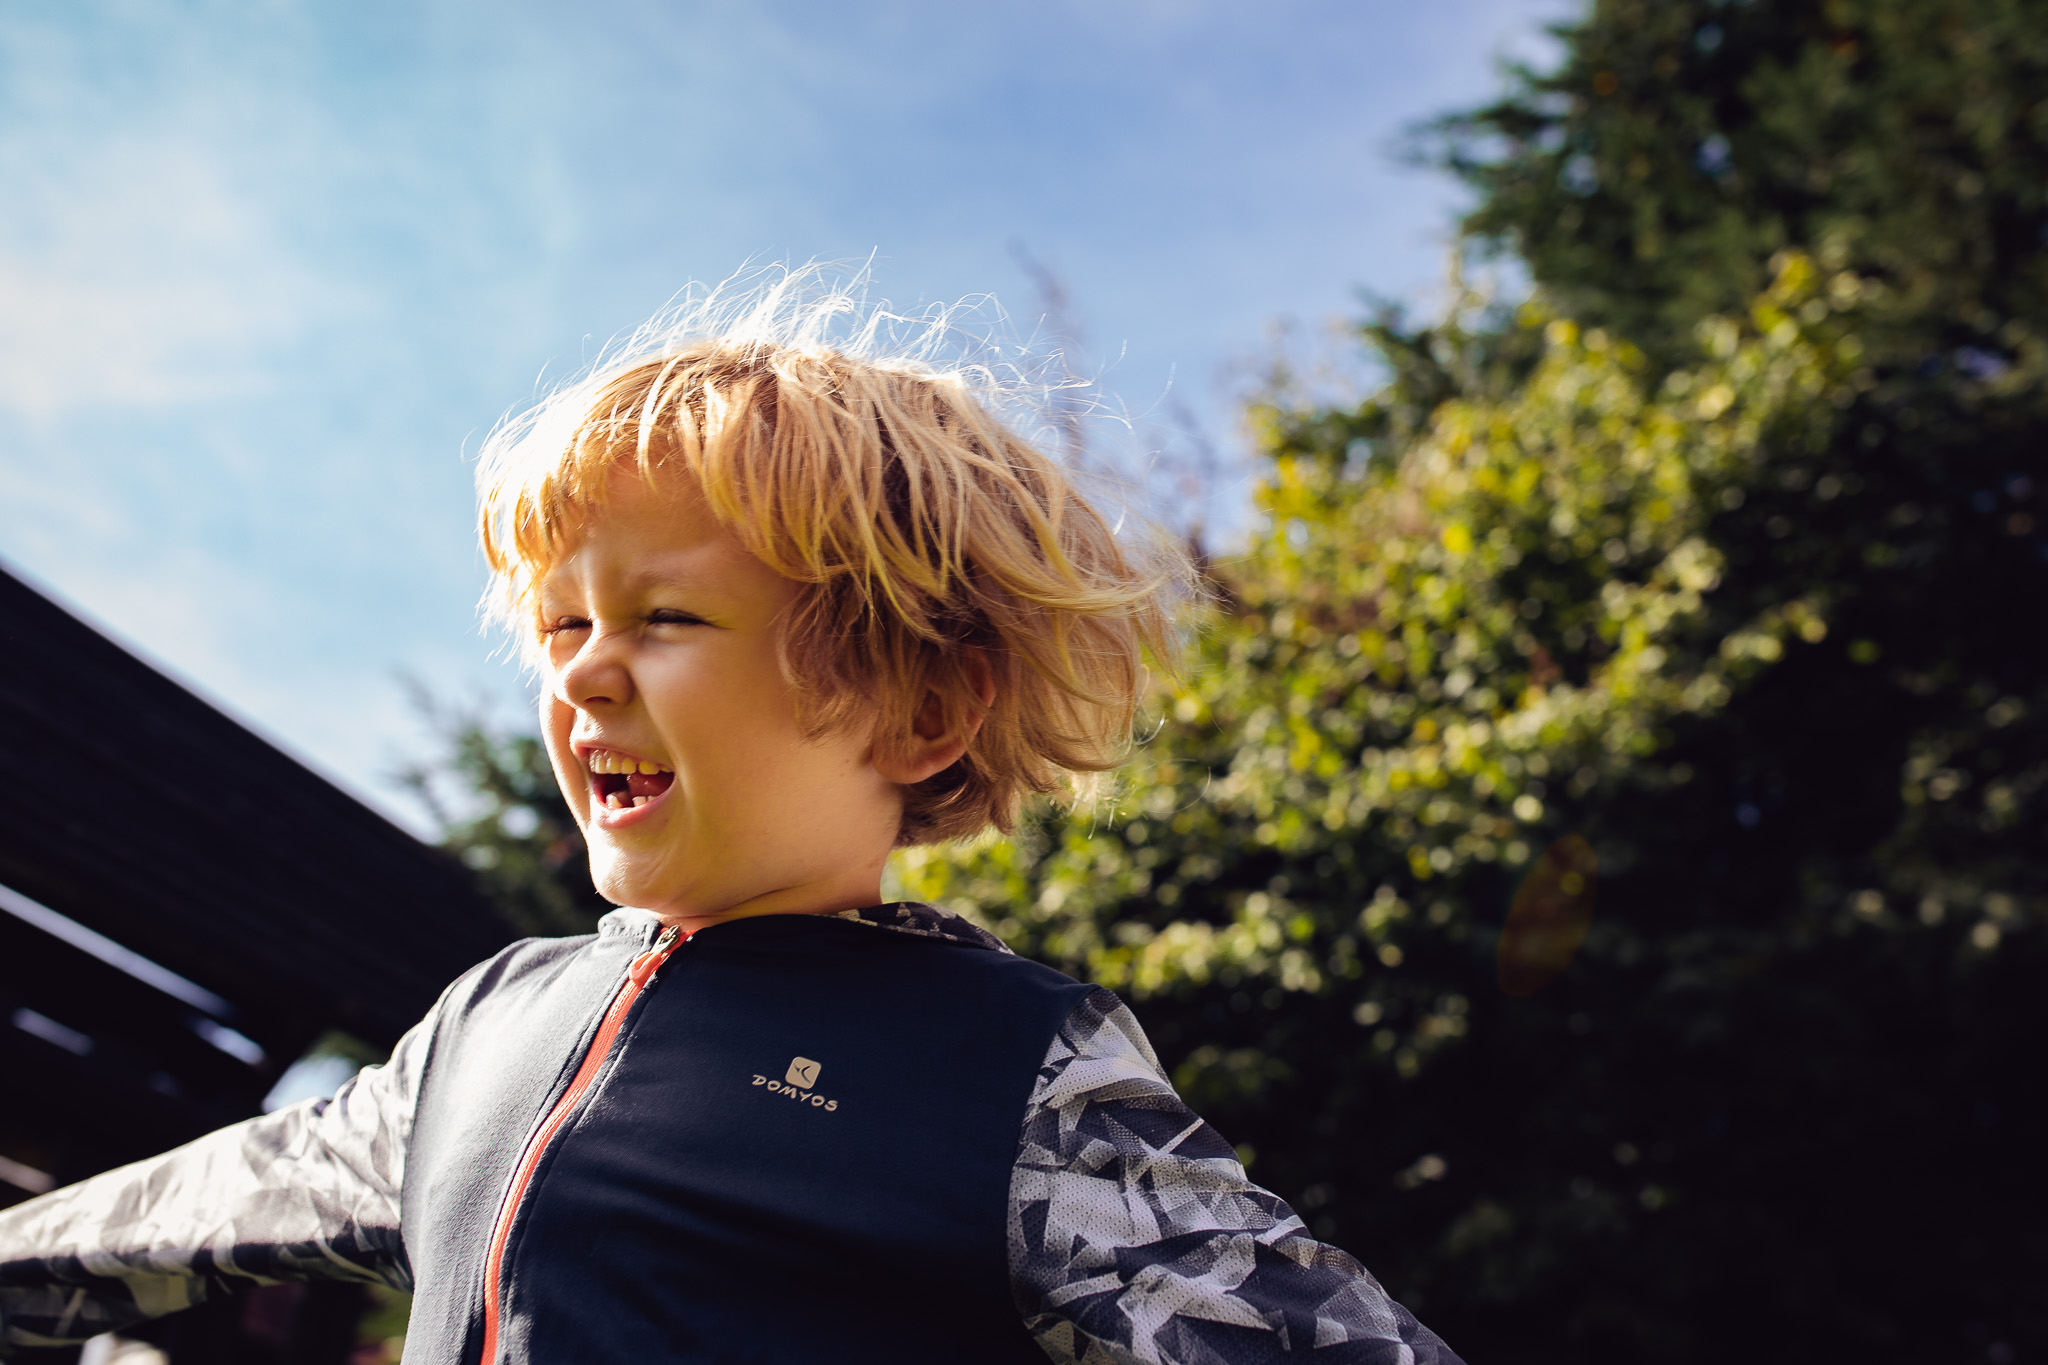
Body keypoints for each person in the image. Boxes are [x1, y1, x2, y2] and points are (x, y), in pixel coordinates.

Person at [0, 279, 1464, 1363]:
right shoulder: (485, 1025)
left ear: (919, 710)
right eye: (561, 619)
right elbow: (146, 1231)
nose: (578, 665)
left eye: (665, 613)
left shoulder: (1010, 1069)